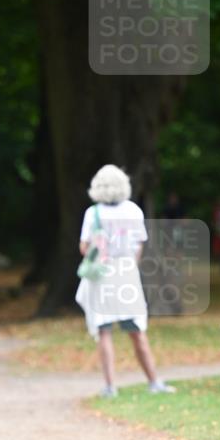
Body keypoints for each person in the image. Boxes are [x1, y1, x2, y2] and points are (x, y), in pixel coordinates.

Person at [75, 164, 176, 398]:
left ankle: (110, 386)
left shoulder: (94, 213)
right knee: (136, 330)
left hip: (102, 275)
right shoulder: (133, 211)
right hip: (126, 273)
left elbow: (84, 247)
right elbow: (139, 245)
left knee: (104, 330)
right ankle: (153, 381)